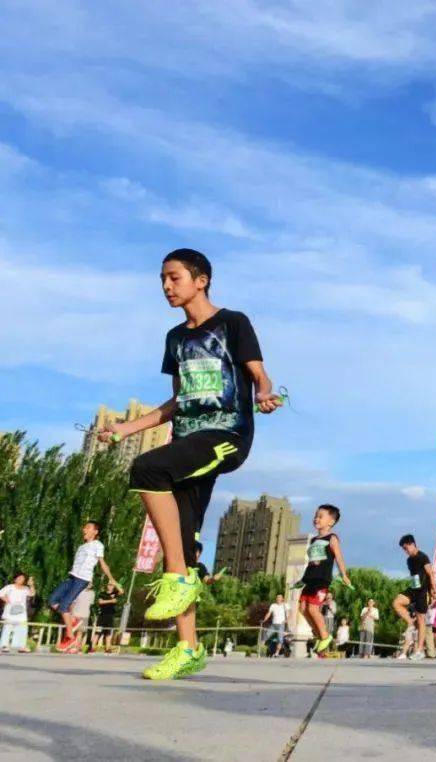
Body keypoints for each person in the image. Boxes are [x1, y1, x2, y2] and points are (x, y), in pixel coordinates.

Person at [102, 248, 282, 680]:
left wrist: (262, 392)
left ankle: (180, 580)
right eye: (162, 279)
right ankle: (188, 648)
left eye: (174, 277)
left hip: (226, 436)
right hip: (187, 443)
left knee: (147, 470)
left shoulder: (233, 322)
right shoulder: (175, 339)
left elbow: (259, 373)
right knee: (180, 545)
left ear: (200, 280)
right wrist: (127, 429)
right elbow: (179, 401)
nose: (166, 286)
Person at [48, 521, 122, 653]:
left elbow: (102, 564)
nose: (84, 529)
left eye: (88, 528)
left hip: (82, 579)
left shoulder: (97, 545)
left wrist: (112, 580)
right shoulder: (81, 547)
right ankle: (74, 620)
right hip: (72, 577)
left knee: (64, 606)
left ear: (95, 531)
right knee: (53, 600)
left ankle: (70, 637)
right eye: (84, 527)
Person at [297, 505, 351, 657]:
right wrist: (302, 580)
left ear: (331, 522)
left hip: (322, 579)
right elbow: (312, 561)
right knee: (302, 608)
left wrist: (344, 574)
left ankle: (325, 637)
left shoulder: (332, 538)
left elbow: (338, 557)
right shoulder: (314, 539)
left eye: (321, 516)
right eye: (315, 515)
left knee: (313, 608)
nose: (316, 518)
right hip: (310, 578)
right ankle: (320, 635)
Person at [393, 534, 436, 661]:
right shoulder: (409, 560)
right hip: (414, 588)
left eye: (406, 548)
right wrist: (413, 590)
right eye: (403, 549)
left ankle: (419, 650)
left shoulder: (423, 557)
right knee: (397, 603)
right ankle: (410, 623)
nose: (405, 551)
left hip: (423, 591)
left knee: (421, 619)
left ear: (412, 544)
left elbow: (430, 573)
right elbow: (414, 577)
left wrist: (433, 589)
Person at [0, 573, 35, 653]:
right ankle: (3, 645)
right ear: (15, 579)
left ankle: (20, 646)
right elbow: (1, 593)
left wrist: (32, 585)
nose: (21, 579)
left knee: (22, 629)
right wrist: (6, 600)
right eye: (19, 578)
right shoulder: (9, 587)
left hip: (21, 613)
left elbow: (32, 594)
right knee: (7, 629)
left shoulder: (26, 588)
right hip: (10, 612)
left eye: (22, 578)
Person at [92, 582, 120, 653]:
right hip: (102, 615)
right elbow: (100, 602)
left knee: (108, 633)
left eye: (112, 585)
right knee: (98, 632)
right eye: (109, 585)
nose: (110, 586)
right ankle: (92, 647)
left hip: (110, 616)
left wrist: (115, 583)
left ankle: (107, 648)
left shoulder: (115, 594)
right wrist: (111, 601)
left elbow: (122, 591)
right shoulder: (102, 594)